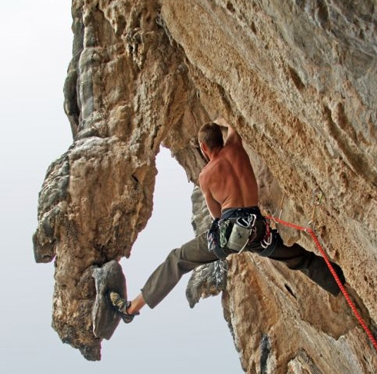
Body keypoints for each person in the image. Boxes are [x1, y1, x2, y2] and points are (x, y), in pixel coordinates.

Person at [109, 117, 346, 323]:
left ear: (203, 147)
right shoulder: (236, 146)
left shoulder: (206, 175)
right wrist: (220, 123)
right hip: (258, 230)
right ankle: (341, 285)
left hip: (231, 232)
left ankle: (131, 309)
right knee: (298, 258)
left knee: (178, 259)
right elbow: (230, 123)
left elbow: (217, 216)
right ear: (220, 138)